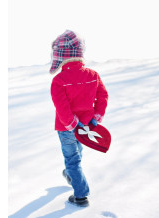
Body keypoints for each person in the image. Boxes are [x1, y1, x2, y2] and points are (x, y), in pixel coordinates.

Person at [50, 30, 108, 207]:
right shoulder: (92, 75)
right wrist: (96, 116)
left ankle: (81, 195)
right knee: (77, 153)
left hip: (66, 127)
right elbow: (103, 96)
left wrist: (71, 124)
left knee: (72, 159)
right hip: (86, 126)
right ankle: (71, 174)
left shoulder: (59, 80)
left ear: (60, 56)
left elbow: (62, 107)